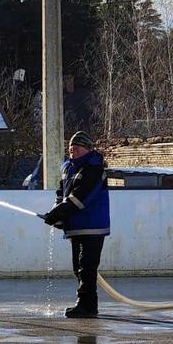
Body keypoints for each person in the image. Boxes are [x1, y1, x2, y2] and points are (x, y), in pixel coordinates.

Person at [41, 131, 110, 318]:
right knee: (78, 267)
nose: (73, 152)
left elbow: (81, 197)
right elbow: (61, 194)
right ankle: (86, 304)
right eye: (71, 149)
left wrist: (60, 212)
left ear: (87, 149)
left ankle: (87, 306)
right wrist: (57, 213)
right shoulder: (68, 168)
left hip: (93, 226)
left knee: (87, 267)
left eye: (77, 149)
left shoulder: (94, 169)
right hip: (76, 226)